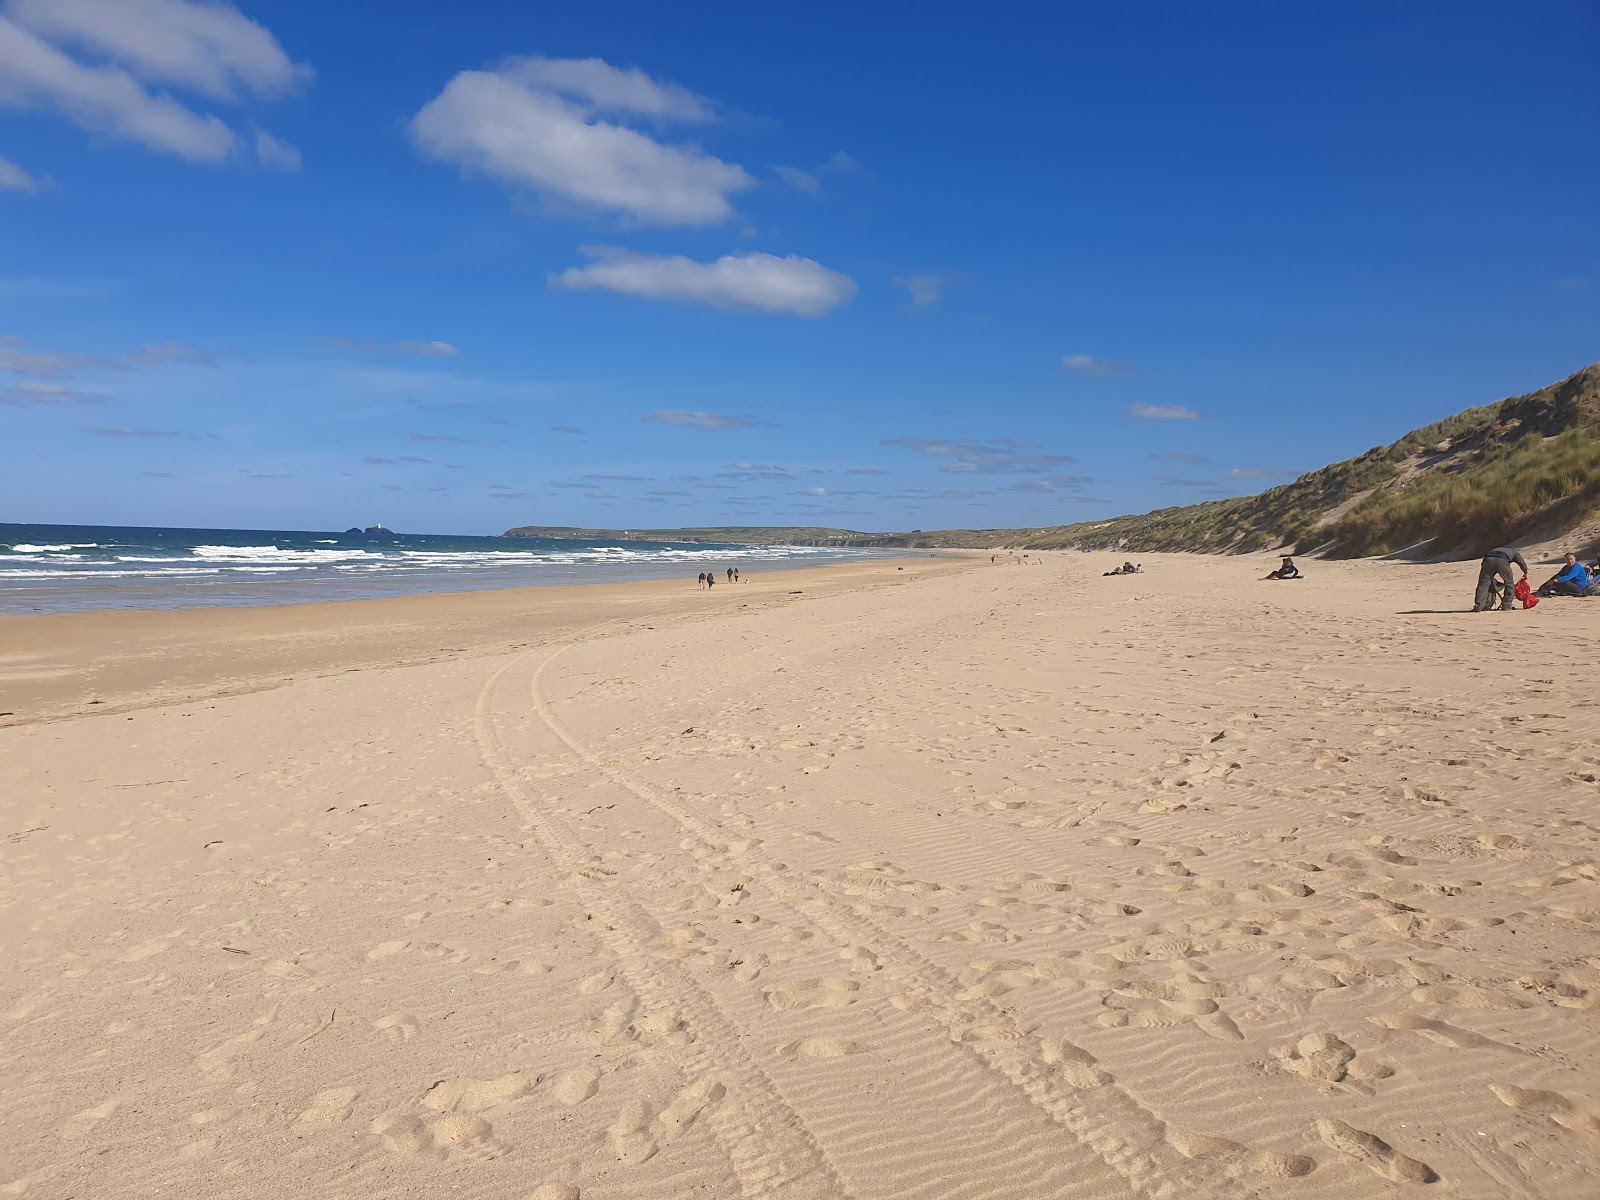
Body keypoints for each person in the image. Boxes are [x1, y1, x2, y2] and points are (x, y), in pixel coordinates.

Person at [1473, 546, 1528, 611]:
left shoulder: (1495, 549)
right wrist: (1525, 572)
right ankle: (1507, 605)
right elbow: (1521, 562)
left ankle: (1478, 606)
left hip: (1488, 560)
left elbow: (1484, 561)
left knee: (1483, 585)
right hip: (1502, 562)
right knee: (1509, 583)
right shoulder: (1514, 552)